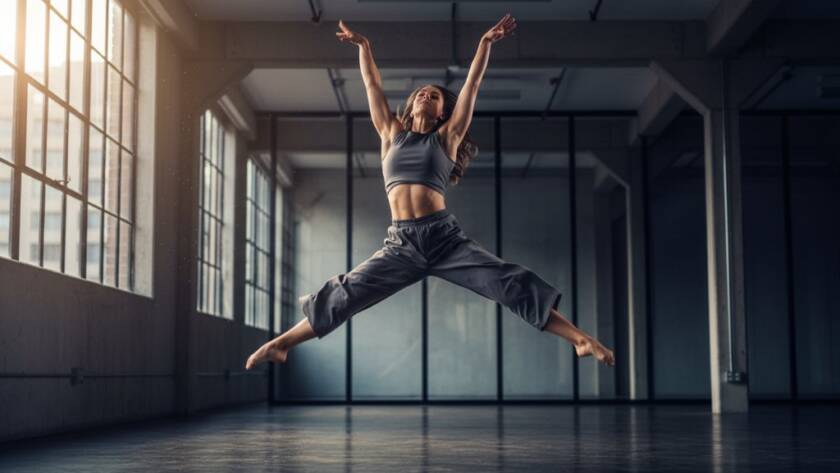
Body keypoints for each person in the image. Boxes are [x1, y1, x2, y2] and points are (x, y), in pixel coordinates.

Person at [246, 14, 615, 370]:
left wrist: (485, 43)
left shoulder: (446, 138)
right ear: (410, 108)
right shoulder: (391, 134)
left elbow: (472, 86)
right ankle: (281, 344)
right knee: (348, 291)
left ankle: (580, 340)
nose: (426, 94)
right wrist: (364, 47)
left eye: (434, 95)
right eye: (422, 93)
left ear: (441, 113)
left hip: (443, 239)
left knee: (509, 282)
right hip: (401, 244)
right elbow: (372, 86)